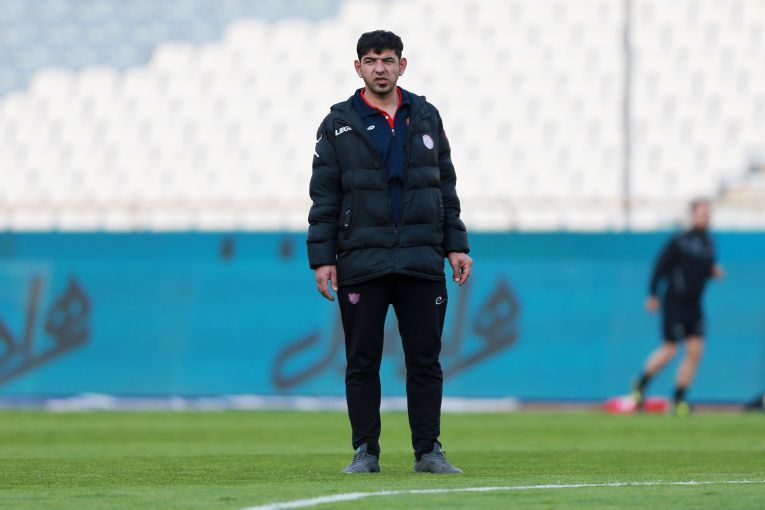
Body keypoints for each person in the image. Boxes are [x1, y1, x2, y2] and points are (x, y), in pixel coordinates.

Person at [307, 30, 472, 474]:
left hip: (421, 258)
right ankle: (365, 450)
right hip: (362, 260)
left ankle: (428, 451)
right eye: (370, 60)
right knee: (362, 360)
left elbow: (444, 185)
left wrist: (456, 245)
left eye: (387, 59)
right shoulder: (338, 123)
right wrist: (322, 258)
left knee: (425, 360)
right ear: (357, 67)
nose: (379, 68)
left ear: (403, 65)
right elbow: (324, 196)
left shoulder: (426, 116)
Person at [632, 199, 723, 416]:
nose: (705, 217)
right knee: (670, 348)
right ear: (692, 215)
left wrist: (712, 272)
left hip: (695, 304)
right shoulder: (680, 241)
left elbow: (701, 270)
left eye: (707, 214)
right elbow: (660, 266)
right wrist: (653, 294)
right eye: (701, 213)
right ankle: (640, 385)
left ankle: (678, 399)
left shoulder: (709, 244)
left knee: (696, 350)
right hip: (675, 301)